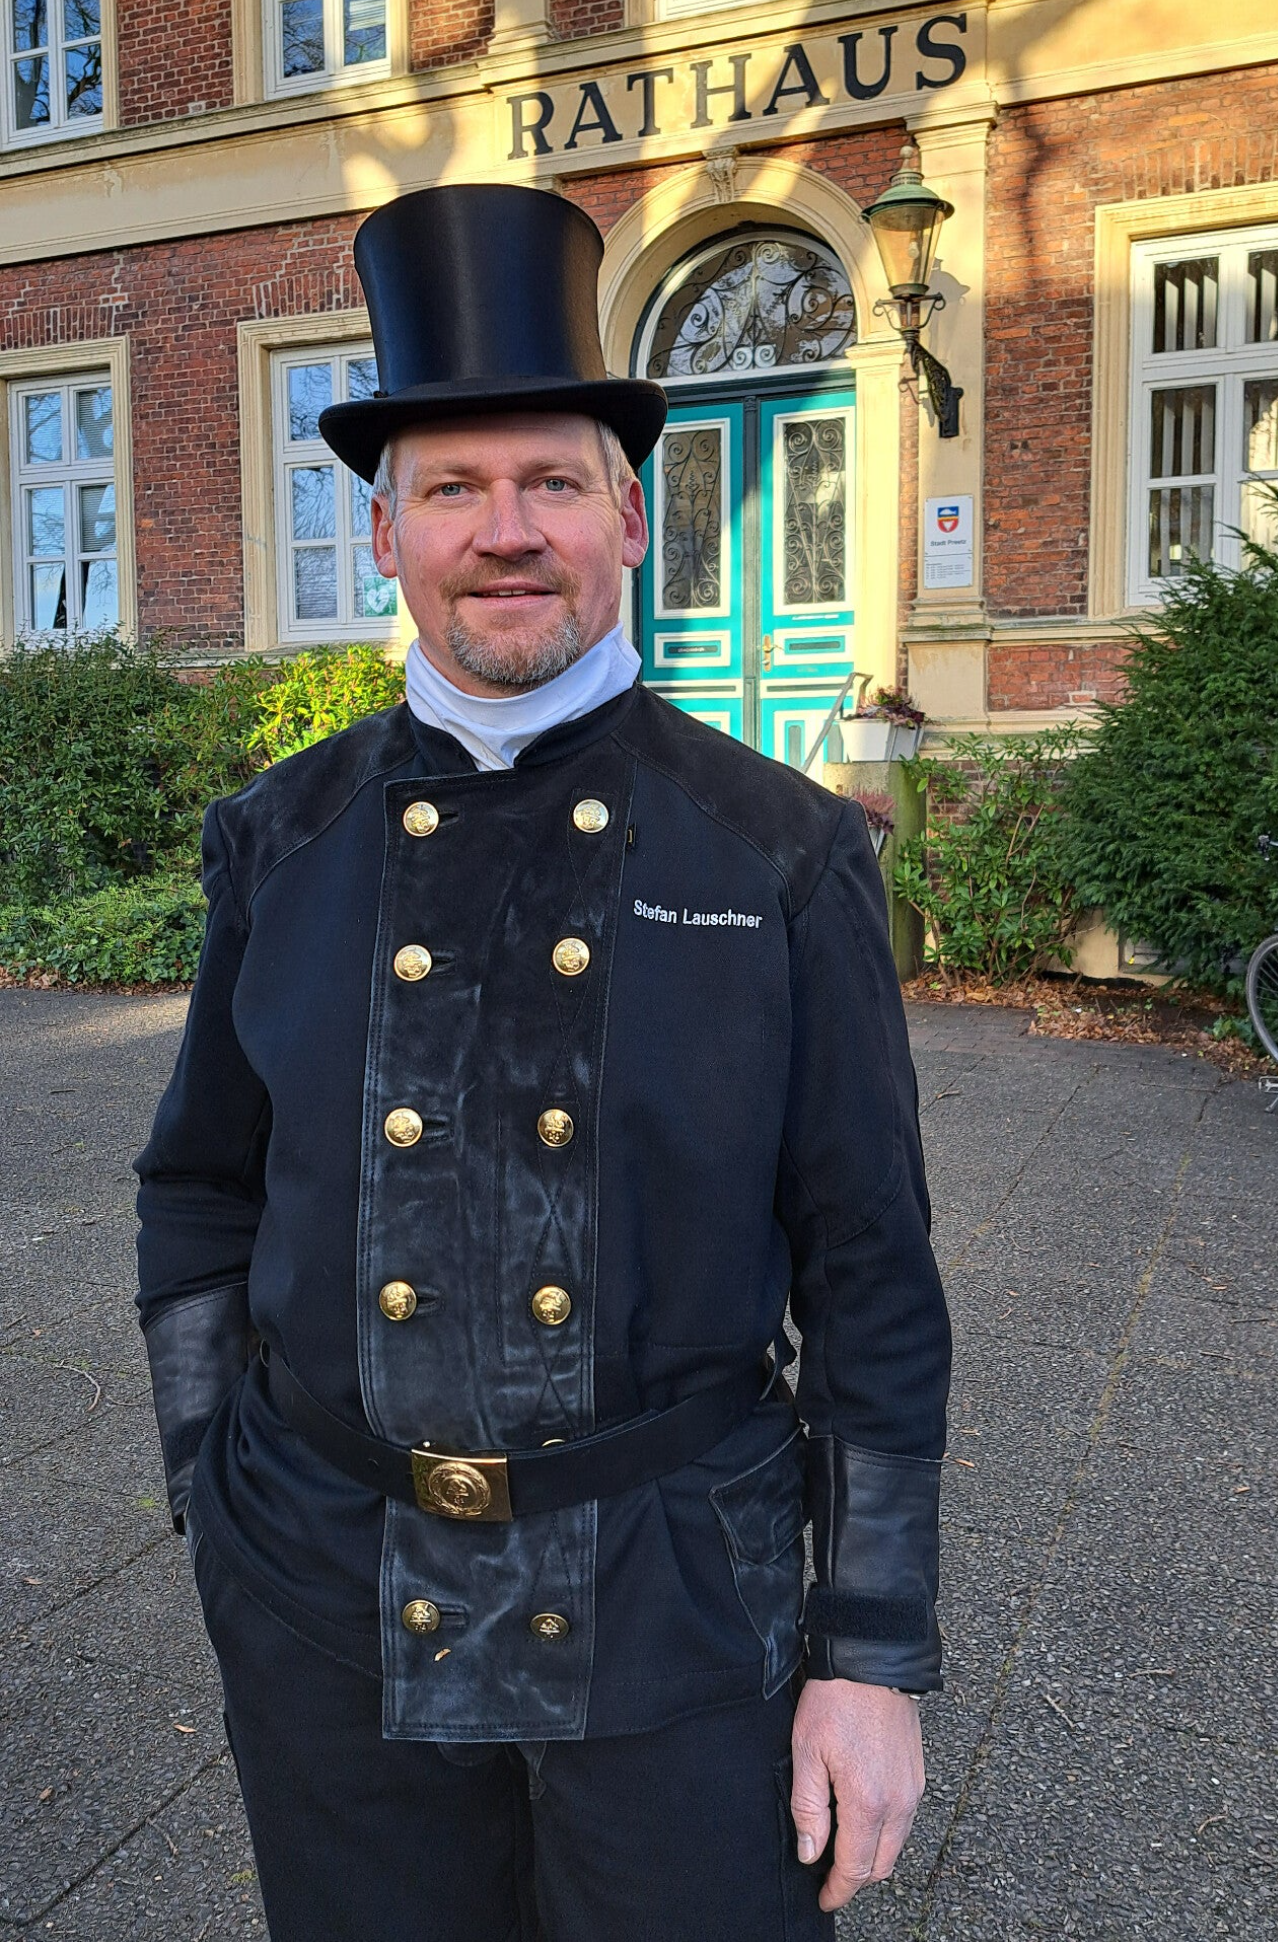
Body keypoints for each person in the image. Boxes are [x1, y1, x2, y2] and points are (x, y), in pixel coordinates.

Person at [135, 183, 951, 1942]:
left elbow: (875, 1279)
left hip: (680, 1612)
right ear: (385, 537)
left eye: (552, 482)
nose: (506, 532)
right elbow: (197, 1186)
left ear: (632, 519)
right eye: (452, 488)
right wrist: (215, 1502)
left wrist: (871, 1653)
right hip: (326, 1606)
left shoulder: (783, 857)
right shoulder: (281, 838)